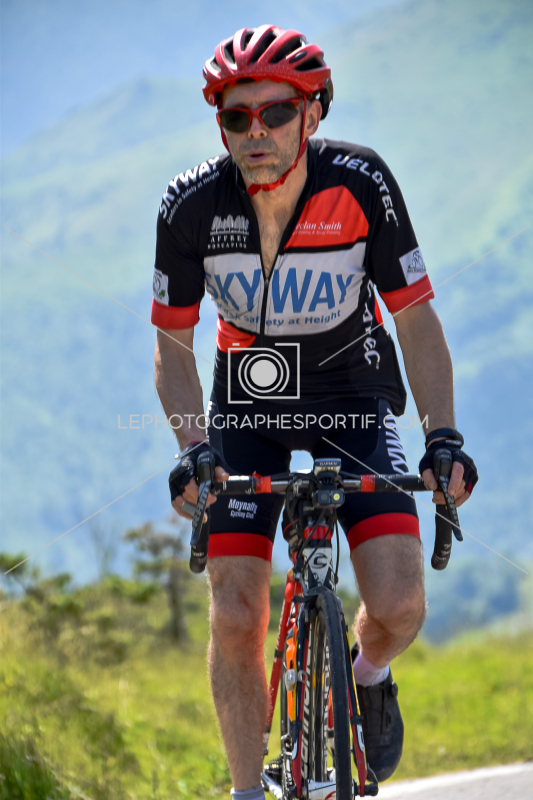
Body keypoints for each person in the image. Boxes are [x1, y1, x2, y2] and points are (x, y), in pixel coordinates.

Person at [152, 25, 478, 799]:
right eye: (237, 117)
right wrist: (193, 448)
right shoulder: (191, 205)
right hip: (248, 400)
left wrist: (441, 436)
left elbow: (414, 318)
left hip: (350, 394)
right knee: (236, 611)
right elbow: (171, 345)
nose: (256, 132)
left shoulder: (361, 182)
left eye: (275, 112)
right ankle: (245, 792)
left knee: (398, 604)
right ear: (221, 124)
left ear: (313, 112)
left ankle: (366, 675)